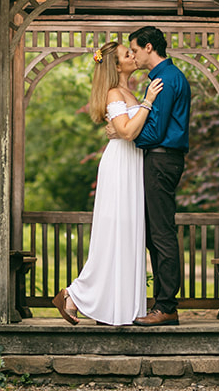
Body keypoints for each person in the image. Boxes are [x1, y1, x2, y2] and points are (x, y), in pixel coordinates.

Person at [52, 41, 164, 326]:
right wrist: (148, 102)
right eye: (127, 55)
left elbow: (129, 128)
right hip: (120, 167)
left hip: (132, 164)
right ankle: (74, 295)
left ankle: (112, 305)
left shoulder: (128, 91)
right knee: (114, 235)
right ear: (116, 66)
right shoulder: (115, 92)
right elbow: (127, 132)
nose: (133, 56)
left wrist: (133, 116)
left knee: (126, 237)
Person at [127, 25, 191, 327]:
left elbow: (155, 131)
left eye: (136, 50)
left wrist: (124, 134)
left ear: (150, 47)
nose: (133, 56)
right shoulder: (165, 77)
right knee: (156, 234)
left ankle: (166, 306)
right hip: (164, 160)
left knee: (162, 234)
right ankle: (163, 303)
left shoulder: (165, 79)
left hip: (162, 159)